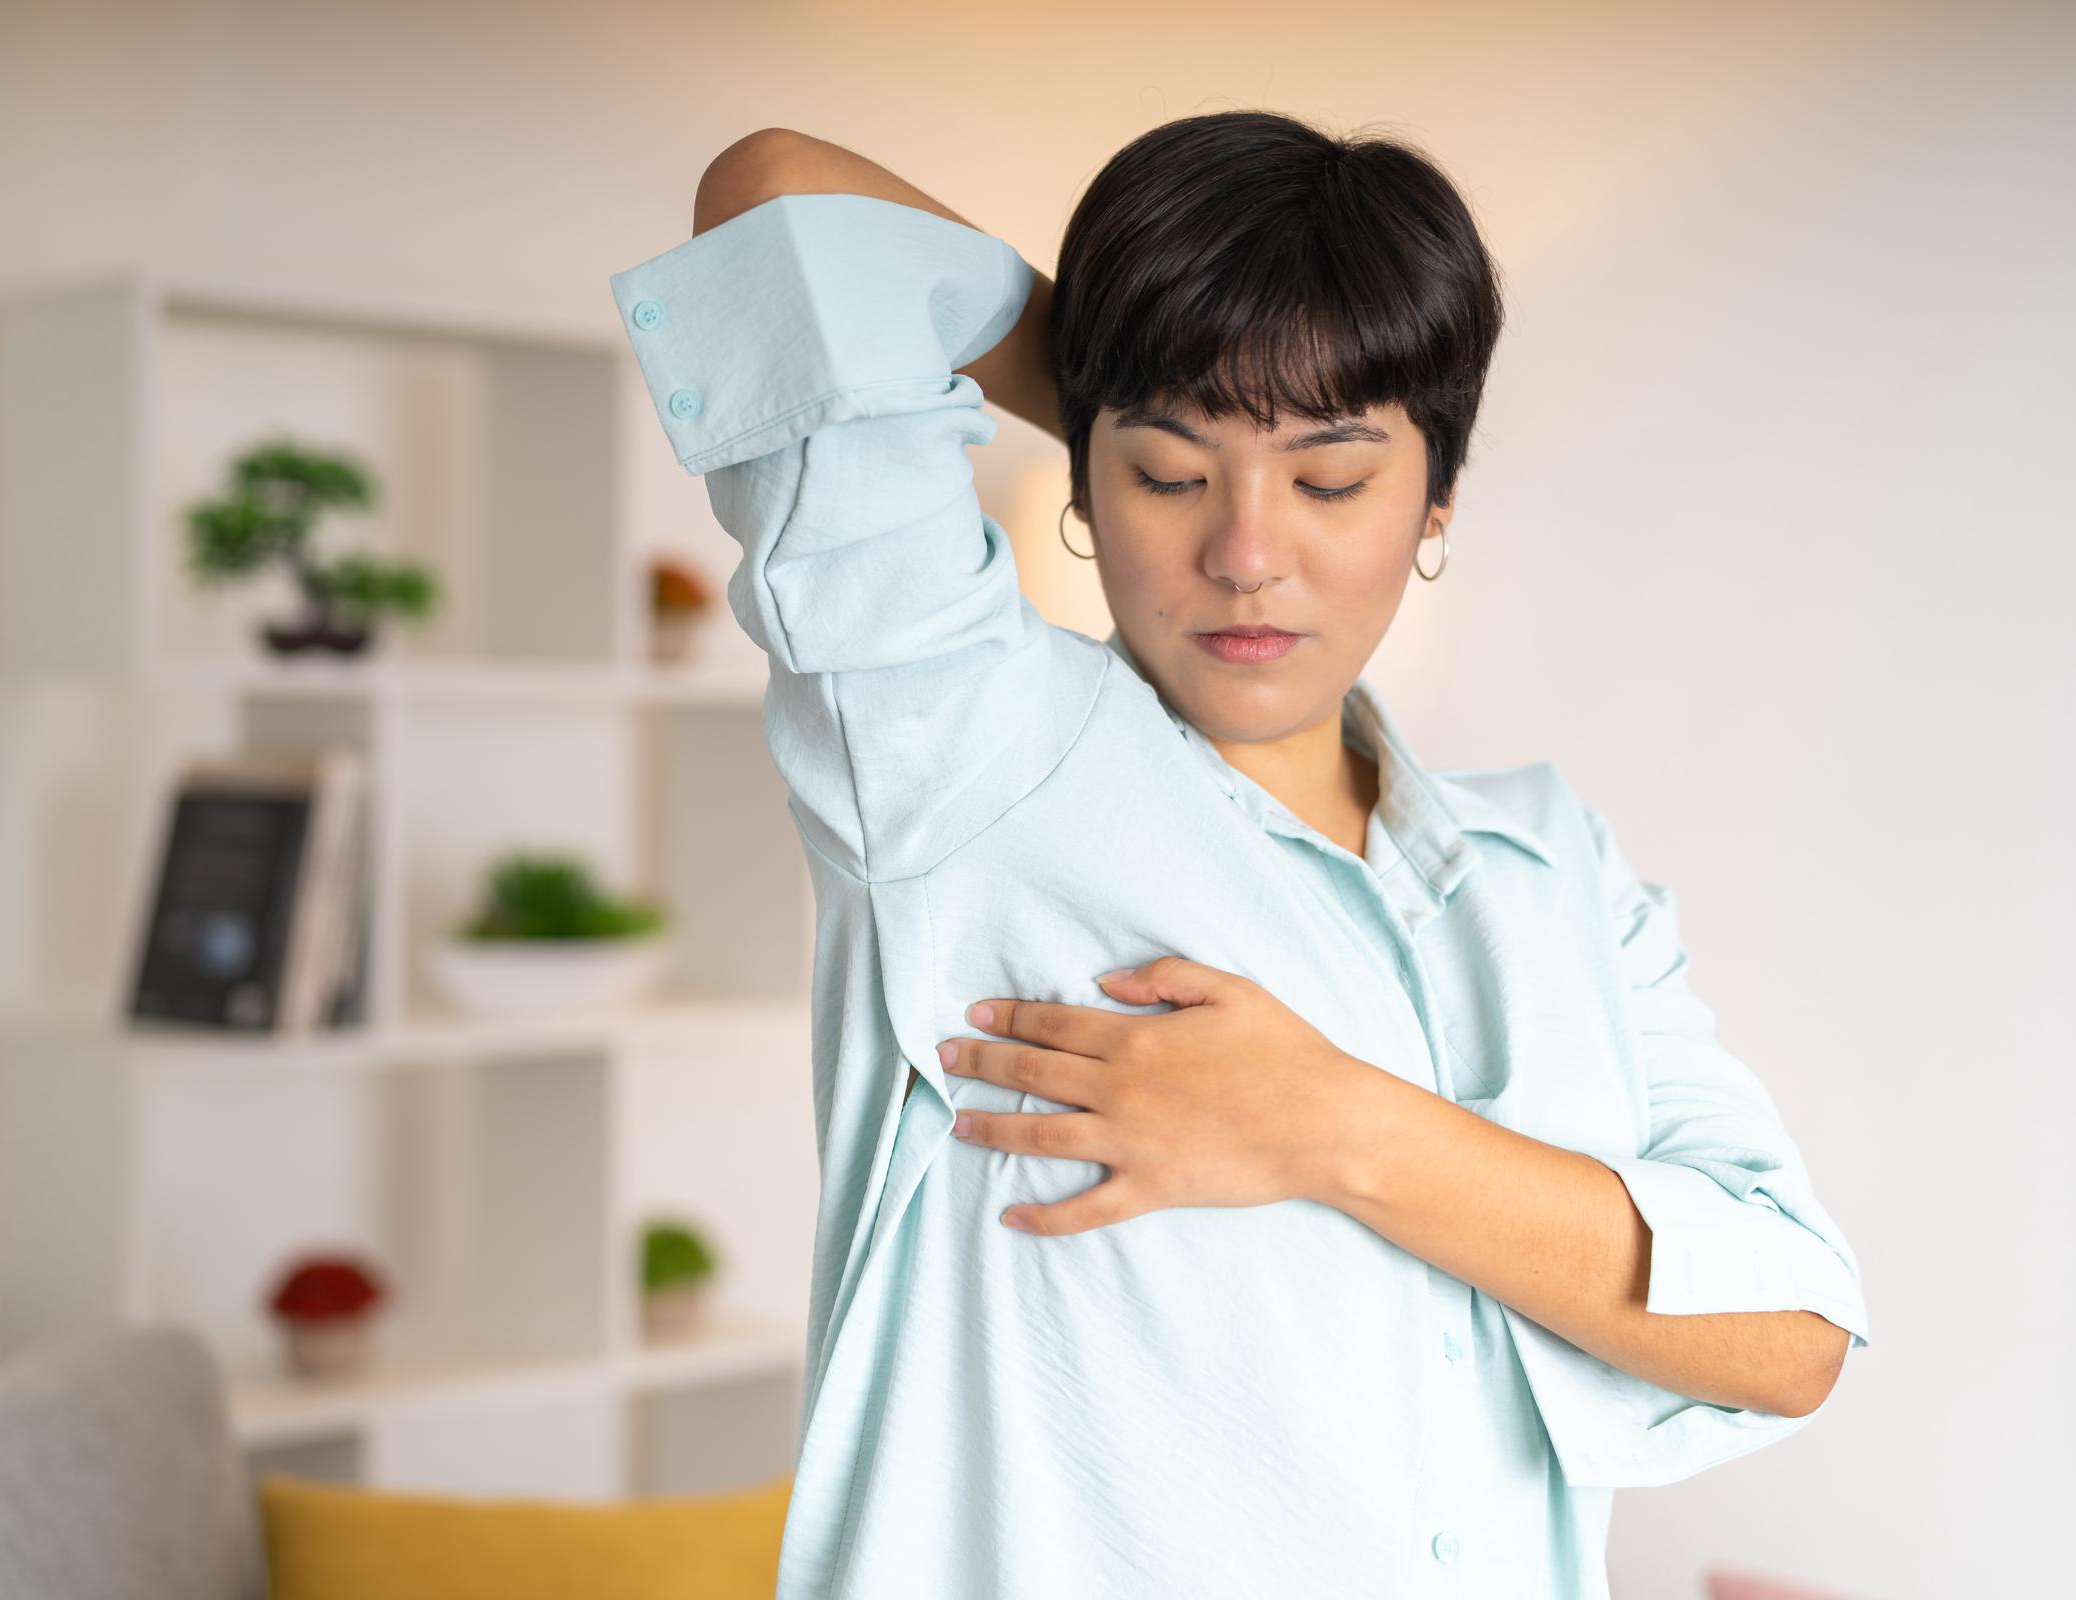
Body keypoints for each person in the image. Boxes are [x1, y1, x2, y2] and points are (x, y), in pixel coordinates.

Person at [607, 111, 1869, 1600]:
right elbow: (777, 192)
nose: (1247, 551)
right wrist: (1137, 362)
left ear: (1436, 500)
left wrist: (1327, 1123)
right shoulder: (957, 748)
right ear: (1080, 483)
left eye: (1331, 478)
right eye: (1164, 471)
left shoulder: (1551, 864)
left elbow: (1788, 1339)